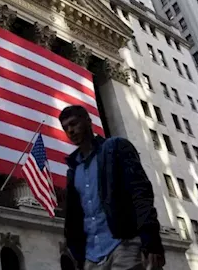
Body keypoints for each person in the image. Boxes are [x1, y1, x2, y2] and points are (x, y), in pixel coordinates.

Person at [59, 105, 165, 270]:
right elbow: (75, 218)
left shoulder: (116, 148)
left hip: (124, 245)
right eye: (66, 128)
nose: (70, 130)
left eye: (73, 124)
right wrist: (75, 252)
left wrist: (151, 240)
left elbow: (141, 193)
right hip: (91, 257)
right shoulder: (73, 170)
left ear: (88, 121)